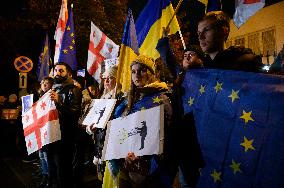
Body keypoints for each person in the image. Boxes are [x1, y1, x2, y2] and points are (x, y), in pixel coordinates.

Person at [103, 55, 174, 188]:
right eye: (134, 71)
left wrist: (142, 154)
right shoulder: (126, 101)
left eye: (142, 70)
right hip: (125, 164)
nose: (137, 75)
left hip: (148, 169)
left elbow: (167, 134)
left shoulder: (162, 99)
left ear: (151, 73)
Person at [48, 62, 82, 188]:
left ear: (68, 73)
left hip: (65, 136)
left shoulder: (74, 89)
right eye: (56, 70)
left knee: (63, 167)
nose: (58, 73)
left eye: (61, 70)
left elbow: (74, 113)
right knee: (53, 165)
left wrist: (59, 101)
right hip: (53, 134)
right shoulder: (55, 89)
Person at [197, 10, 263, 72]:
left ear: (224, 31)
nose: (200, 37)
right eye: (199, 33)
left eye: (206, 30)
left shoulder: (245, 62)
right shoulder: (200, 66)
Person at [37, 77, 54, 188]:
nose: (44, 85)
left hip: (47, 130)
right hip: (39, 130)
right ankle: (44, 174)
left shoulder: (51, 96)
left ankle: (50, 177)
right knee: (41, 155)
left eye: (47, 83)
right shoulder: (40, 97)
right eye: (43, 82)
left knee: (47, 155)